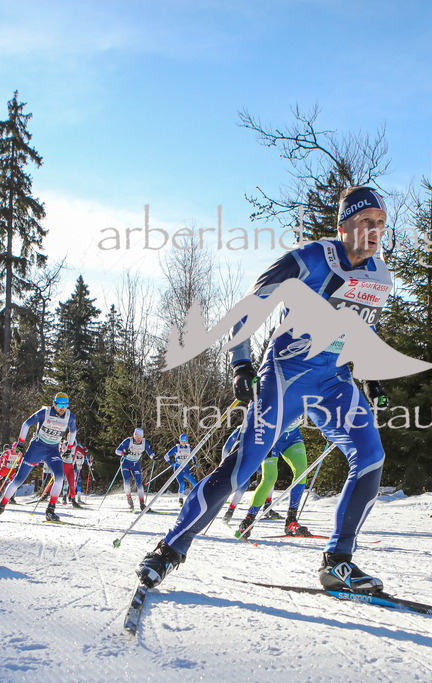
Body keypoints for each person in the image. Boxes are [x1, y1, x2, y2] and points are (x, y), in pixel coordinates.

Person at [137, 186, 394, 594]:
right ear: (343, 226)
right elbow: (248, 308)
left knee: (371, 456)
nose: (375, 231)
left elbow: (362, 328)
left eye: (380, 223)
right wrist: (240, 362)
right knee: (243, 468)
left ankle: (338, 562)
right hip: (287, 376)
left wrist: (373, 376)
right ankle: (168, 549)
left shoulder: (379, 274)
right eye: (366, 222)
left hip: (334, 381)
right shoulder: (309, 258)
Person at [0, 392, 77, 522]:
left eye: (65, 405)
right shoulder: (45, 412)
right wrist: (21, 443)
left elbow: (73, 431)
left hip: (52, 450)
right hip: (36, 448)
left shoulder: (70, 417)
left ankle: (50, 510)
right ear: (54, 404)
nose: (62, 408)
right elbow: (26, 424)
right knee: (18, 480)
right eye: (60, 404)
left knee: (59, 478)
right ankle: (0, 508)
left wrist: (69, 448)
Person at [235, 423, 313, 538]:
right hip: (271, 438)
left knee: (301, 471)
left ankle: (291, 520)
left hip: (292, 437)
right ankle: (249, 519)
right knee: (270, 478)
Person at [116, 428, 155, 512]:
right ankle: (129, 500)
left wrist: (153, 456)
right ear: (133, 435)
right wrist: (123, 453)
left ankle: (142, 504)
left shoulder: (144, 443)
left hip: (135, 465)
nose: (138, 438)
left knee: (139, 484)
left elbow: (150, 452)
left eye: (140, 436)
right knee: (127, 481)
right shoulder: (128, 441)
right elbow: (117, 451)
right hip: (125, 463)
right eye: (137, 436)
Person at [165, 434, 198, 505]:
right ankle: (180, 499)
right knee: (182, 483)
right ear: (180, 440)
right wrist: (171, 463)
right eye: (182, 440)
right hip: (178, 469)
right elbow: (166, 456)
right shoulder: (176, 448)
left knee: (195, 483)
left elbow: (193, 456)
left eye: (185, 440)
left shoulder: (189, 448)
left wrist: (194, 462)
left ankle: (198, 497)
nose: (184, 442)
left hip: (186, 469)